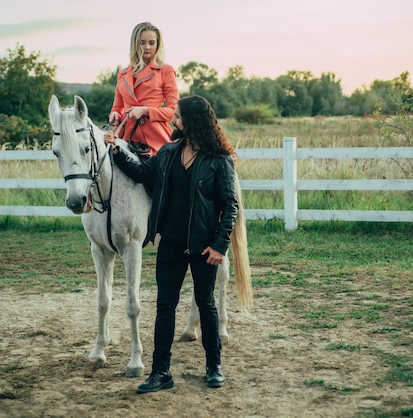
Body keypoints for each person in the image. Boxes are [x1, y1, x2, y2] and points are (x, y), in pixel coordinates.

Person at [104, 95, 239, 393]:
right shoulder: (167, 152)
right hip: (171, 245)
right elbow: (142, 173)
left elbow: (230, 206)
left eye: (177, 116)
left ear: (192, 121)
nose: (172, 121)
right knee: (165, 307)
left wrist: (220, 246)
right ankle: (160, 373)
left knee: (206, 305)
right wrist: (115, 149)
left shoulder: (219, 160)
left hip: (204, 247)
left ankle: (213, 366)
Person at [108, 22, 179, 157]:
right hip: (125, 136)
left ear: (158, 44)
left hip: (156, 138)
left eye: (151, 43)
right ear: (134, 44)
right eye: (142, 43)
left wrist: (145, 111)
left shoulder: (165, 71)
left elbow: (173, 111)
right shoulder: (122, 74)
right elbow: (117, 107)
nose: (147, 47)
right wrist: (115, 115)